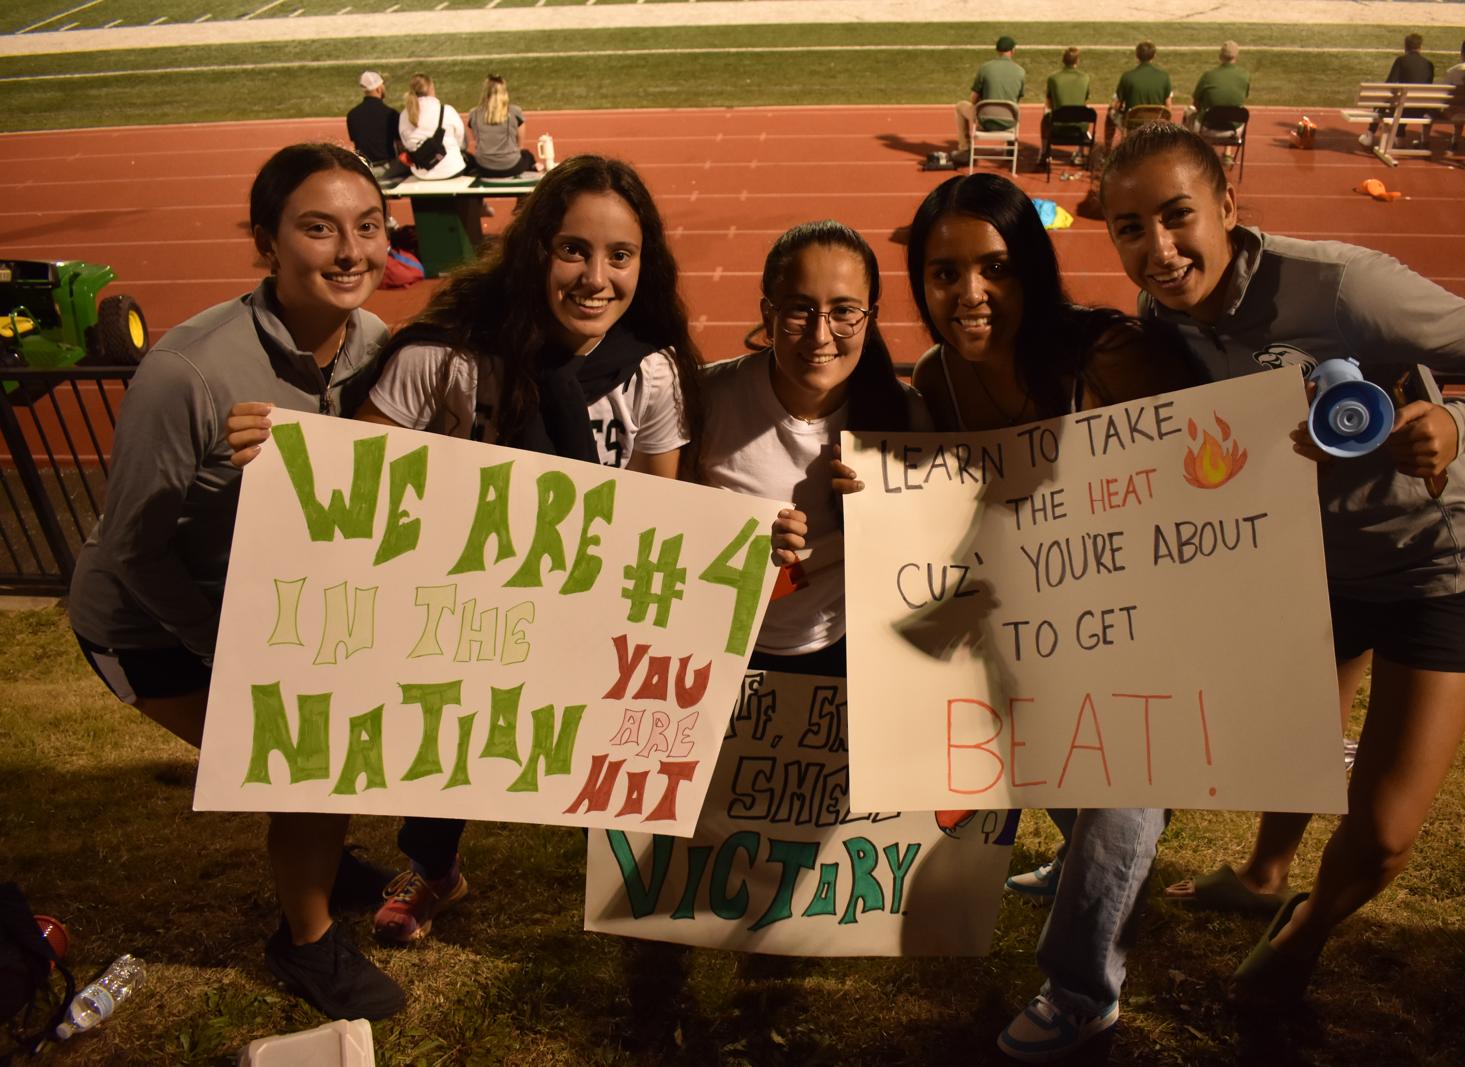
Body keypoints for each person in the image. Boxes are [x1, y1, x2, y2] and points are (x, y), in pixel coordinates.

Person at [1098, 122, 1465, 1007]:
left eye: (1176, 215)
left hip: (1439, 568)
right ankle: (1266, 874)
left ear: (1228, 206)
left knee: (1384, 833)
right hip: (1315, 569)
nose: (1156, 247)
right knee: (1290, 750)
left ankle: (1304, 932)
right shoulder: (1165, 318)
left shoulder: (1343, 284)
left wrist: (1463, 421)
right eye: (1128, 228)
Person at [66, 143, 405, 1021]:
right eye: (318, 228)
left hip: (272, 604)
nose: (350, 251)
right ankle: (307, 945)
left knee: (339, 748)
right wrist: (237, 652)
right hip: (150, 622)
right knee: (307, 765)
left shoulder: (374, 343)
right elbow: (137, 552)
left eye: (367, 226)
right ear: (266, 242)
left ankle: (321, 863)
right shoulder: (187, 372)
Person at [338, 155, 701, 943]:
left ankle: (627, 868)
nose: (595, 277)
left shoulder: (650, 369)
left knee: (609, 727)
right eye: (573, 249)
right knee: (454, 730)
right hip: (464, 592)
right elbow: (351, 478)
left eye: (620, 255)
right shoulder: (445, 355)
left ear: (645, 264)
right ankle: (434, 867)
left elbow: (661, 505)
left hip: (591, 586)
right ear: (535, 248)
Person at [904, 172, 1197, 1062]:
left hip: (1137, 615)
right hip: (1028, 618)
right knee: (1042, 767)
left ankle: (1081, 988)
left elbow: (1203, 471)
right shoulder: (936, 377)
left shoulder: (1108, 354)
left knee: (1120, 786)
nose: (970, 294)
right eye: (944, 272)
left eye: (995, 268)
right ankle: (1090, 873)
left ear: (1031, 267)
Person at [700, 221, 925, 679]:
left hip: (851, 654)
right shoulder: (705, 400)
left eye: (844, 311)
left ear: (870, 317)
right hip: (719, 653)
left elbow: (931, 559)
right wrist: (735, 546)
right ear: (769, 315)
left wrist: (884, 518)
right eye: (801, 310)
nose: (821, 335)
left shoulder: (906, 418)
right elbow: (652, 532)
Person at [955, 35, 1026, 162]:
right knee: (1012, 106)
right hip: (1009, 122)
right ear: (1013, 50)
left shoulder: (985, 68)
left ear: (997, 50)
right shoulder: (1020, 71)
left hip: (984, 122)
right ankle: (1011, 148)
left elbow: (973, 99)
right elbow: (1016, 99)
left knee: (960, 106)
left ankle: (964, 149)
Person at [1361, 33, 1434, 148]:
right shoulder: (1429, 64)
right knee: (1405, 101)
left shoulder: (1401, 61)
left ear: (1405, 47)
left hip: (1403, 106)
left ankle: (1370, 133)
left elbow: (1389, 84)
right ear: (1420, 47)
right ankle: (1400, 135)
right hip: (1421, 108)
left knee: (1387, 100)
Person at [465, 74, 539, 177]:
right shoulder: (515, 111)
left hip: (484, 167)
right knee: (527, 155)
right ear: (504, 92)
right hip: (512, 166)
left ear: (485, 92)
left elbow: (476, 139)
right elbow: (520, 145)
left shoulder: (474, 114)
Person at [398, 72, 467, 180]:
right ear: (431, 89)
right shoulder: (447, 110)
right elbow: (460, 139)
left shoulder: (404, 115)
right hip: (452, 170)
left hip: (421, 173)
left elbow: (407, 143)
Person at [1106, 41, 1172, 149]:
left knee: (1110, 113)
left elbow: (1116, 105)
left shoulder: (1127, 77)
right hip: (1156, 124)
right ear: (1154, 56)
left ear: (1137, 55)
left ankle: (1107, 150)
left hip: (1132, 124)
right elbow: (1168, 107)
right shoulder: (1164, 77)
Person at [1040, 47, 1093, 166]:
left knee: (1045, 119)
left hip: (1057, 126)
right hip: (1080, 127)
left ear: (1063, 60)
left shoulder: (1053, 78)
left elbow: (1049, 104)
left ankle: (1044, 153)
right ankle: (1080, 154)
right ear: (1077, 61)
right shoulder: (1085, 78)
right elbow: (1084, 102)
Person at [1184, 41, 1250, 133]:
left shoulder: (1208, 75)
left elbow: (1196, 103)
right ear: (1236, 56)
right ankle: (1227, 147)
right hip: (1234, 130)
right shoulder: (1245, 75)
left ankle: (1193, 146)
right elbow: (1241, 99)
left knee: (1188, 112)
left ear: (1220, 56)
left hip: (1207, 127)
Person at [346, 70, 402, 176]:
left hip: (365, 170)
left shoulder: (352, 115)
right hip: (388, 169)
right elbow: (400, 145)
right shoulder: (391, 113)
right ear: (378, 88)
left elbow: (356, 141)